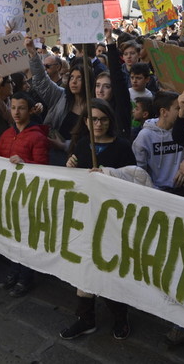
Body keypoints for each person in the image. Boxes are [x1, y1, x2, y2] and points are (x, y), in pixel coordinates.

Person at [61, 98, 135, 340]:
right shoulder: (81, 145)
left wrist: (110, 175)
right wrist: (70, 167)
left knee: (109, 269)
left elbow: (134, 178)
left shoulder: (122, 147)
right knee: (84, 268)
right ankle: (85, 319)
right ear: (86, 122)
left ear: (110, 121)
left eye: (103, 119)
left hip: (112, 221)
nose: (99, 123)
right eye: (93, 119)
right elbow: (72, 184)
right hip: (85, 217)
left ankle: (120, 316)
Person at [0, 91, 50, 297]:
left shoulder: (37, 137)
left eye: (21, 108)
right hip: (8, 194)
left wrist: (27, 164)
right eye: (13, 107)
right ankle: (13, 272)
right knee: (11, 235)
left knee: (26, 238)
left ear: (30, 110)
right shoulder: (6, 134)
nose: (16, 112)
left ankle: (25, 277)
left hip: (28, 196)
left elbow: (44, 169)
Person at [27, 38, 94, 166]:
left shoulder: (93, 108)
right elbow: (42, 80)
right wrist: (32, 53)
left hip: (76, 160)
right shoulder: (60, 96)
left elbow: (92, 139)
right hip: (51, 155)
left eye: (79, 78)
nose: (73, 82)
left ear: (88, 81)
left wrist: (64, 145)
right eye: (72, 77)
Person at [132, 91, 184, 192]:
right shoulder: (145, 136)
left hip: (180, 191)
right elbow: (139, 171)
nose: (183, 111)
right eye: (178, 108)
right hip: (154, 193)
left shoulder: (183, 132)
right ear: (164, 112)